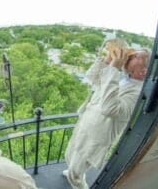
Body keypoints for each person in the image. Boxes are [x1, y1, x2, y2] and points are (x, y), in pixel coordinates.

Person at [63, 39, 150, 189]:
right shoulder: (122, 78)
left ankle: (79, 185)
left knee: (76, 171)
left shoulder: (138, 92)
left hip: (96, 135)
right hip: (86, 123)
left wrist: (113, 69)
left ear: (144, 71)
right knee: (70, 154)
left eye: (136, 56)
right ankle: (75, 173)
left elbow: (110, 109)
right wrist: (106, 61)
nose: (131, 54)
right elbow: (92, 78)